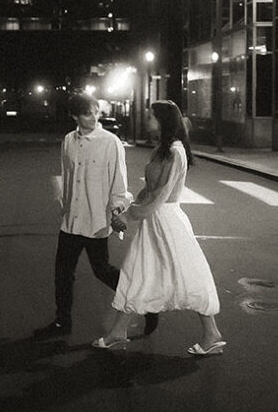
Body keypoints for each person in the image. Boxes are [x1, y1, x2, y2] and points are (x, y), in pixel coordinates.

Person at [92, 99, 225, 356]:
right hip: (153, 222)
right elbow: (148, 190)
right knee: (137, 272)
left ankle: (212, 333)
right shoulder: (161, 150)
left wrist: (129, 217)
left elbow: (161, 196)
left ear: (163, 120)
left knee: (187, 275)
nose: (147, 119)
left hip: (167, 222)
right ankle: (118, 331)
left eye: (151, 116)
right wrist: (128, 206)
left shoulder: (176, 152)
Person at [34, 92, 132, 338]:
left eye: (96, 111)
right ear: (74, 116)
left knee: (102, 270)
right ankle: (62, 321)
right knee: (63, 273)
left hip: (96, 221)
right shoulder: (68, 140)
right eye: (88, 113)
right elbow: (66, 176)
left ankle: (140, 298)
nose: (94, 116)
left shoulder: (110, 142)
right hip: (70, 222)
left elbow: (118, 182)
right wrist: (64, 204)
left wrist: (117, 210)